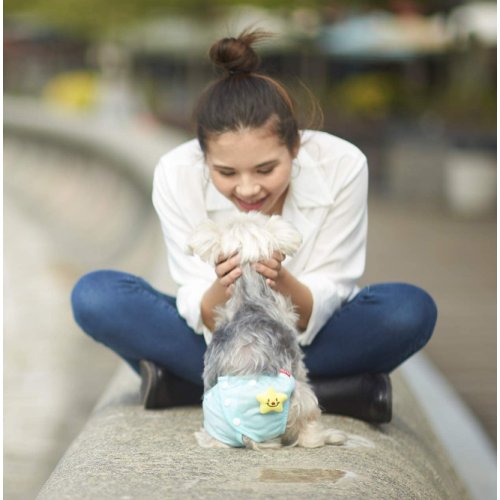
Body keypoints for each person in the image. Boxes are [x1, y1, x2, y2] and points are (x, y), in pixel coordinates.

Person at [70, 28, 438, 424]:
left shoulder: (343, 165)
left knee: (407, 310)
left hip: (311, 338)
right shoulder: (177, 173)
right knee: (96, 296)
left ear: (295, 146)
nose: (247, 188)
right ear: (203, 157)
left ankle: (187, 387)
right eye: (225, 172)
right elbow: (197, 304)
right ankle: (332, 393)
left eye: (266, 169)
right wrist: (221, 287)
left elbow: (334, 289)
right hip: (220, 342)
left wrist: (281, 282)